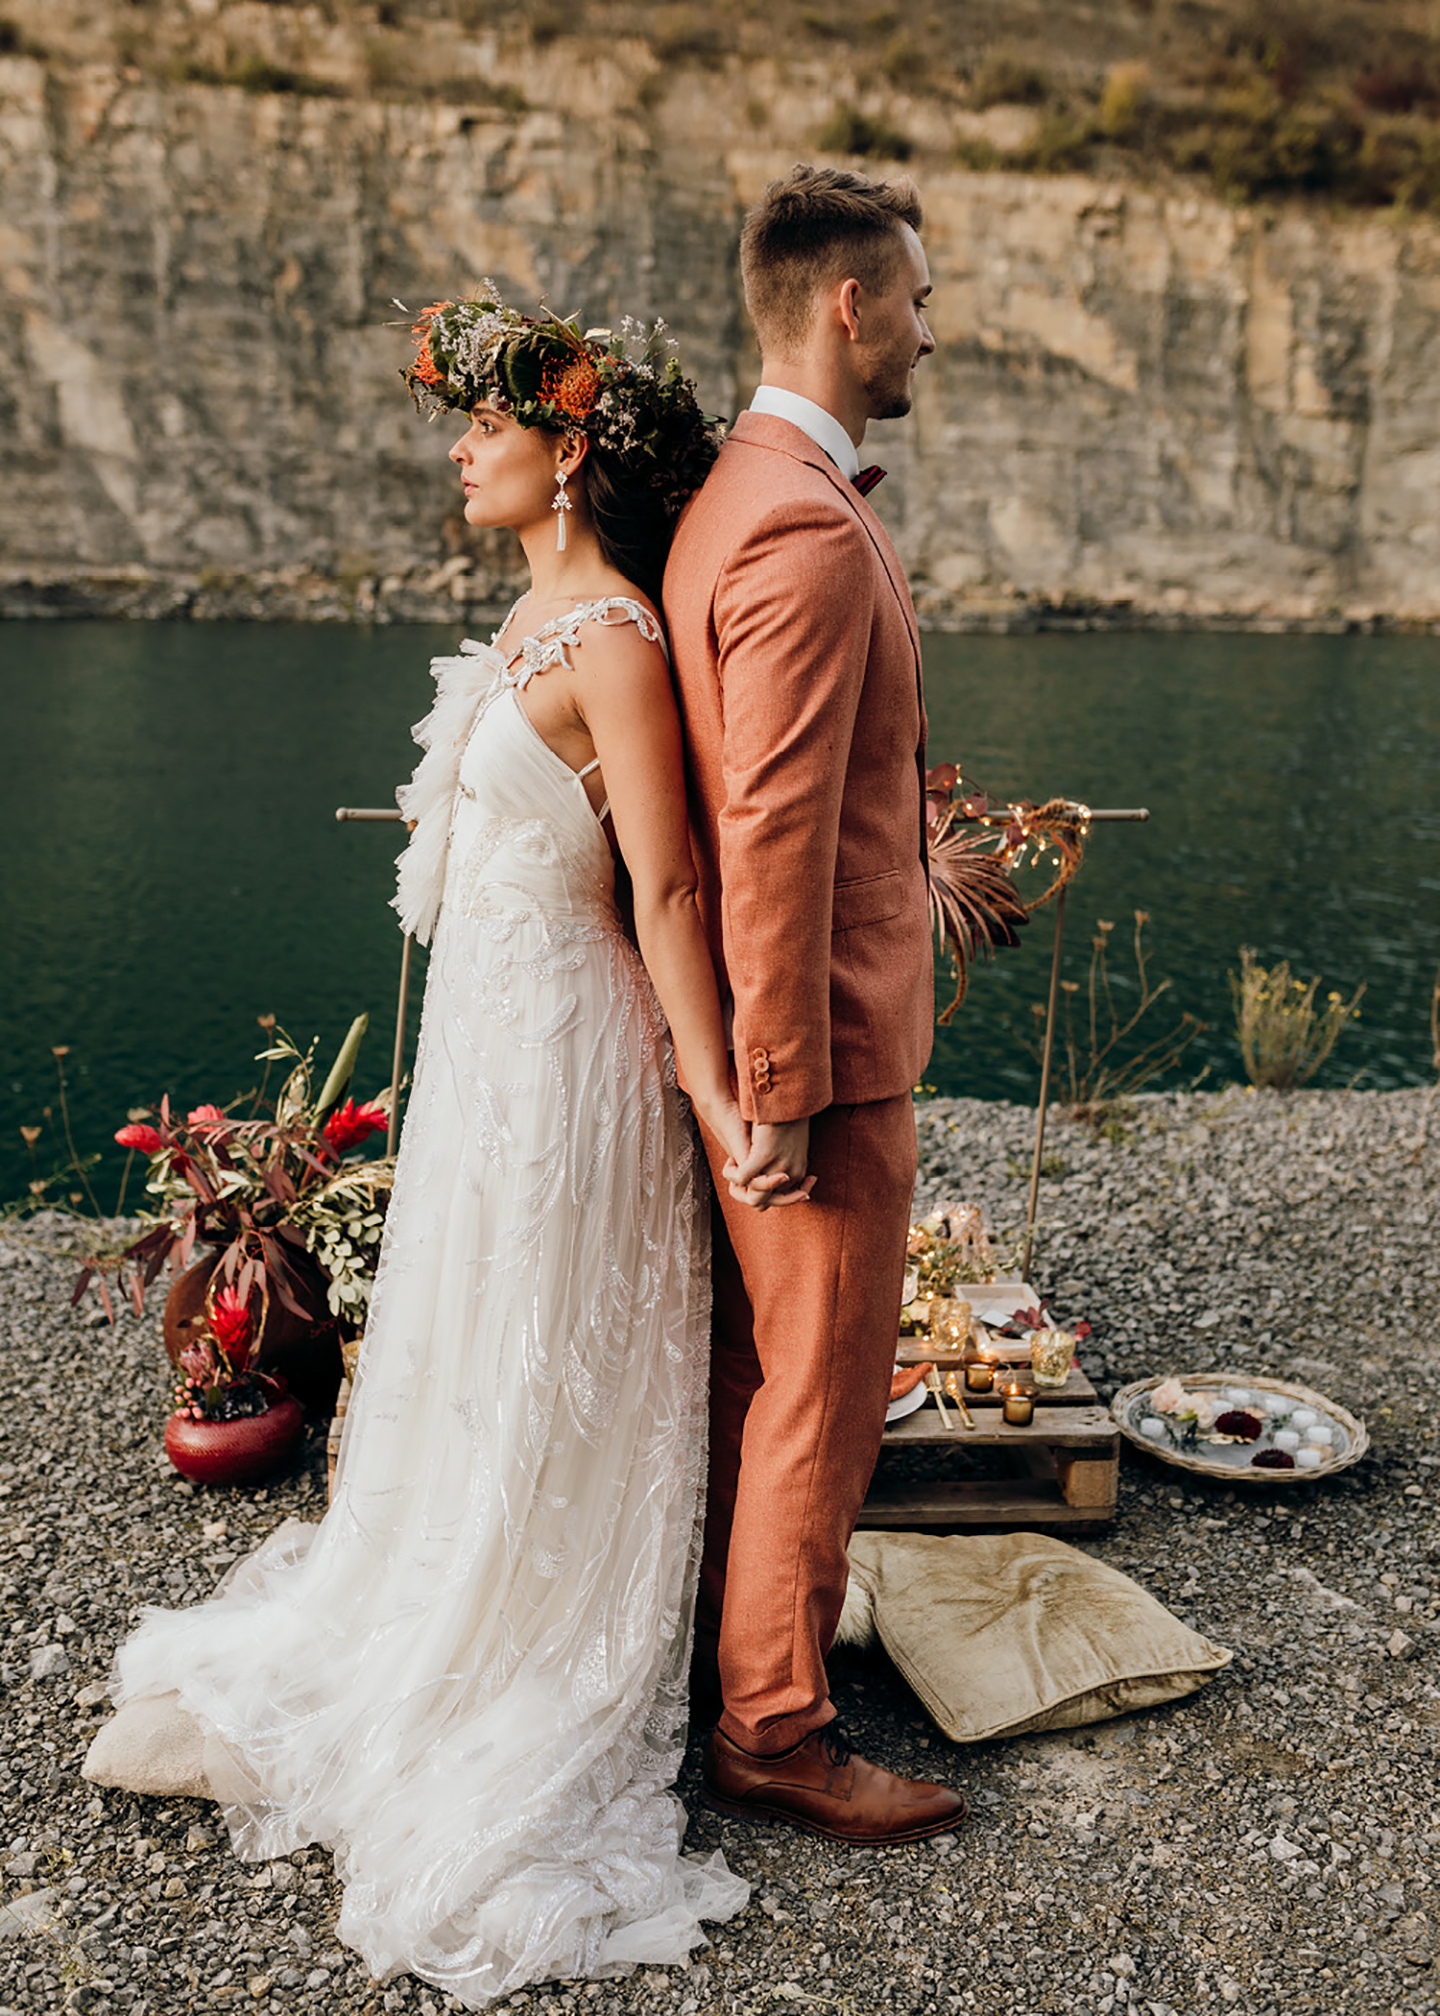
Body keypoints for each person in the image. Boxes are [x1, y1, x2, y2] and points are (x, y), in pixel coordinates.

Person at [85, 291, 774, 2004]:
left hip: (577, 1063)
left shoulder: (611, 633)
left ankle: (538, 1641)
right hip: (491, 1047)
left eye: (485, 426)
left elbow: (669, 885)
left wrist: (717, 1088)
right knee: (480, 1343)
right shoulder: (538, 611)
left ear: (569, 456)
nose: (460, 449)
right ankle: (449, 1585)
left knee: (557, 1348)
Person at [663, 164, 968, 1843]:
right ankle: (775, 1728)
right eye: (919, 301)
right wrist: (776, 1079)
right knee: (825, 1386)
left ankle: (743, 1647)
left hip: (793, 1037)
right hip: (824, 1055)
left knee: (756, 1374)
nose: (932, 333)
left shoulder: (747, 485)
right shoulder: (793, 517)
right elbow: (770, 825)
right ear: (850, 306)